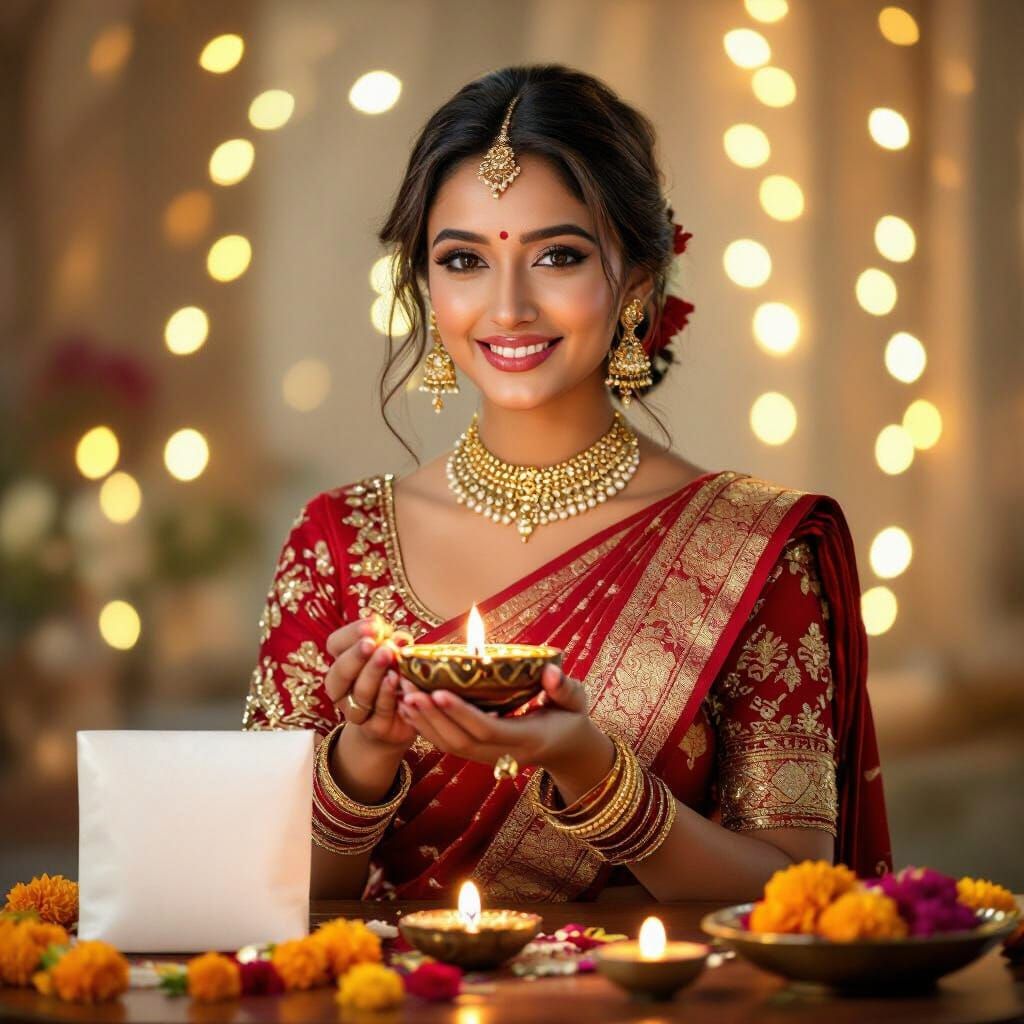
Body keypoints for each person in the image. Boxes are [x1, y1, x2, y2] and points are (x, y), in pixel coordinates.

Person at [242, 64, 892, 903]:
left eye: (557, 255)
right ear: (427, 288)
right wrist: (363, 753)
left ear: (639, 285)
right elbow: (259, 888)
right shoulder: (336, 544)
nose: (508, 307)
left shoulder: (750, 549)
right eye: (464, 260)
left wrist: (590, 768)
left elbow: (795, 892)